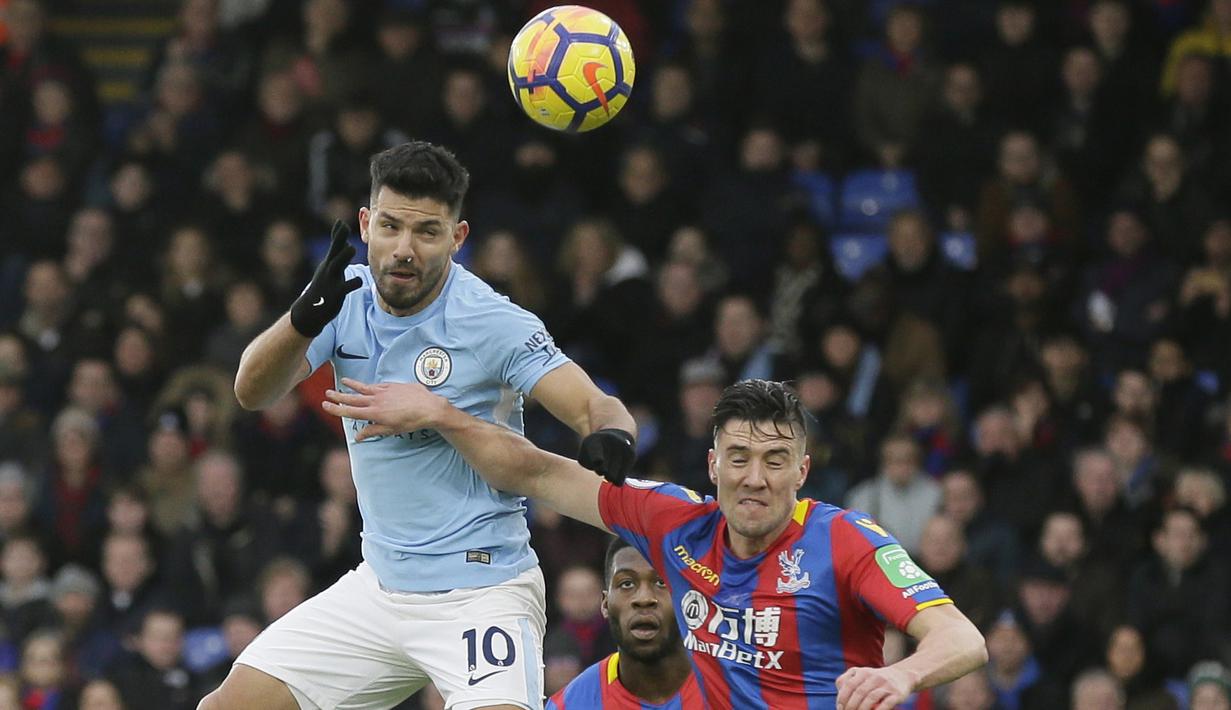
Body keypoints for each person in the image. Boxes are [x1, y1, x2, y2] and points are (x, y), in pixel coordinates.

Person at [203, 140, 638, 710]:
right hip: (379, 588)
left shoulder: (491, 320)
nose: (403, 249)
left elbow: (593, 405)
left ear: (457, 238)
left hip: (482, 590)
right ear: (365, 223)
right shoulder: (343, 300)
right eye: (390, 227)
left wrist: (612, 434)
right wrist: (303, 316)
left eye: (427, 233)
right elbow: (251, 391)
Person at [323, 378, 988, 707]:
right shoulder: (676, 524)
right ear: (711, 465)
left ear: (802, 471)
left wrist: (896, 674)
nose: (754, 479)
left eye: (775, 460)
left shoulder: (844, 540)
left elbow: (961, 639)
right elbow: (537, 471)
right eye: (738, 458)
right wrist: (440, 415)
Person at [545, 538, 703, 709]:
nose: (644, 599)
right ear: (605, 604)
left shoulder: (730, 683)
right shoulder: (568, 705)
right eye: (626, 584)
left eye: (661, 582)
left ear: (688, 601)